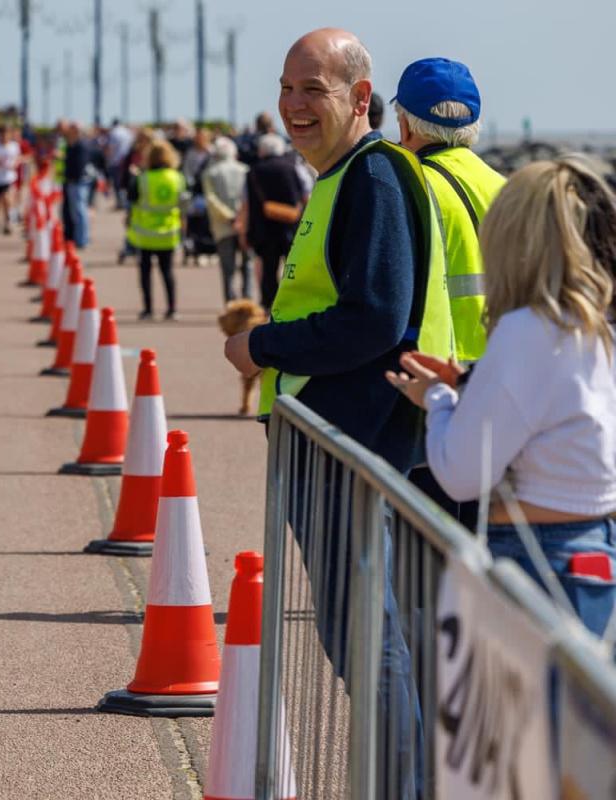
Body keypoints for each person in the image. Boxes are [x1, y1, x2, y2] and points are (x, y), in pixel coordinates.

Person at [223, 29, 453, 799]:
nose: (292, 105)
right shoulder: (340, 177)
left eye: (312, 89)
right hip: (333, 443)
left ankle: (402, 786)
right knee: (358, 634)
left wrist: (263, 342)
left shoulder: (373, 177)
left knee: (367, 636)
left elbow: (376, 318)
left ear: (361, 98)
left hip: (356, 446)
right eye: (286, 87)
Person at [387, 156, 616, 637]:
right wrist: (469, 383)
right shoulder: (593, 327)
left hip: (537, 556)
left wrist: (439, 400)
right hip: (592, 547)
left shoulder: (526, 330)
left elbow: (461, 474)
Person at [394, 57, 506, 530]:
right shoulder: (506, 188)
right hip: (501, 379)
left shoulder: (411, 185)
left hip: (434, 382)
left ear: (404, 122)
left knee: (428, 540)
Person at [243, 133, 305, 308]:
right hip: (289, 226)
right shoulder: (291, 167)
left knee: (268, 271)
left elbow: (246, 202)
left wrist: (246, 230)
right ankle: (294, 303)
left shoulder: (253, 171)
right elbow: (303, 194)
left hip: (263, 230)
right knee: (292, 269)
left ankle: (269, 305)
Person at [128, 139, 186, 320]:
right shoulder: (177, 177)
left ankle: (148, 309)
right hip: (168, 231)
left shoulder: (142, 178)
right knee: (167, 271)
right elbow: (183, 202)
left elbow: (131, 198)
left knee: (145, 272)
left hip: (145, 233)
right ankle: (172, 308)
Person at [201, 136, 251, 303]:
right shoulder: (245, 170)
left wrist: (229, 217)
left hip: (223, 226)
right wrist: (240, 218)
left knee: (227, 268)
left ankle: (230, 303)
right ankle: (248, 299)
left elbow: (211, 200)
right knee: (247, 265)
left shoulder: (210, 173)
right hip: (245, 224)